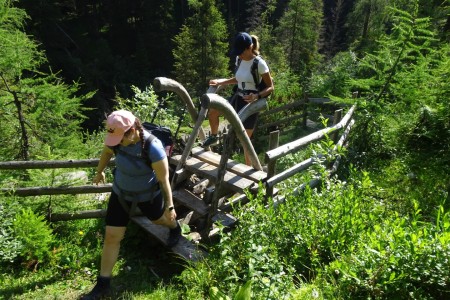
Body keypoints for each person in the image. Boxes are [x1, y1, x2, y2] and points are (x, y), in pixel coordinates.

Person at [81, 110, 181, 300]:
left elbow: (164, 179)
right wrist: (100, 171)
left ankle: (175, 228)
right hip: (121, 194)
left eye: (120, 137)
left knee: (160, 220)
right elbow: (106, 151)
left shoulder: (153, 147)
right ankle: (103, 284)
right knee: (111, 236)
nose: (117, 141)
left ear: (133, 130)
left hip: (148, 196)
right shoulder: (116, 140)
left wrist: (170, 205)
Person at [203, 32, 274, 165]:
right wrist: (221, 82)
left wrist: (256, 96)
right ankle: (213, 136)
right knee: (213, 111)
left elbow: (270, 87)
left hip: (251, 103)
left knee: (245, 140)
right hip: (238, 97)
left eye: (241, 51)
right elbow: (238, 78)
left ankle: (251, 172)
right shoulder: (239, 59)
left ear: (250, 47)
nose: (239, 54)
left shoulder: (260, 63)